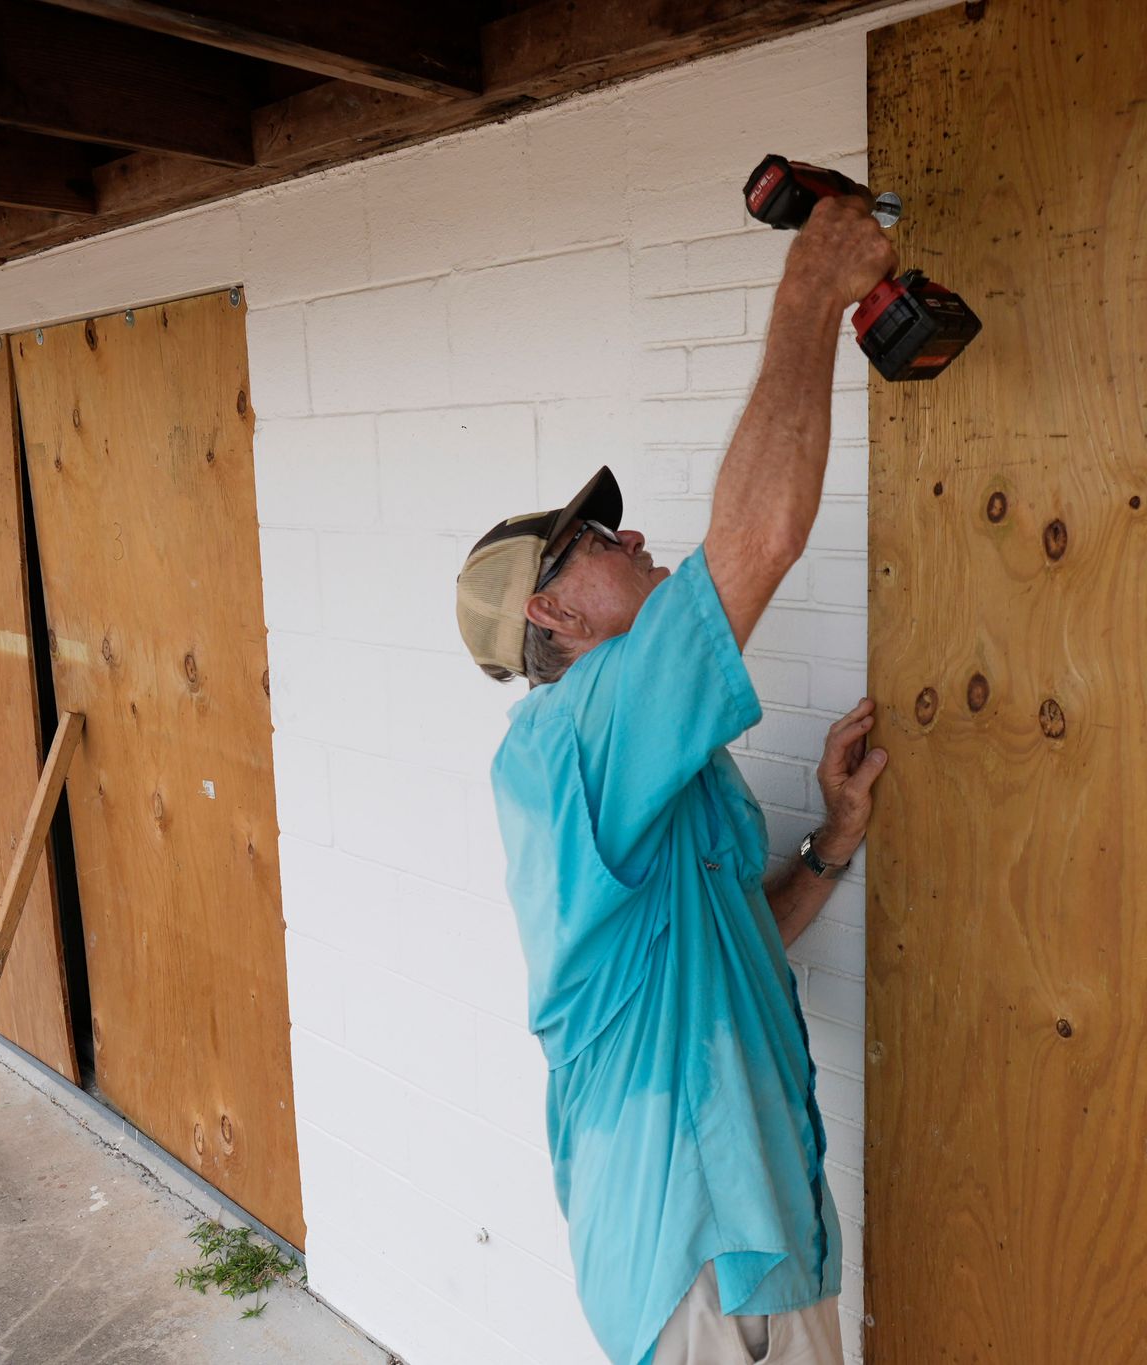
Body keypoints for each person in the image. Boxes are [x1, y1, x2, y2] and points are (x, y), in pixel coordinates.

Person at [453, 192, 898, 1365]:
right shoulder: (569, 737)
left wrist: (829, 844)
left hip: (760, 1237)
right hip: (695, 1253)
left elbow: (727, 938)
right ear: (550, 611)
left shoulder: (660, 765)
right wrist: (811, 293)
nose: (633, 539)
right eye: (599, 543)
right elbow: (753, 546)